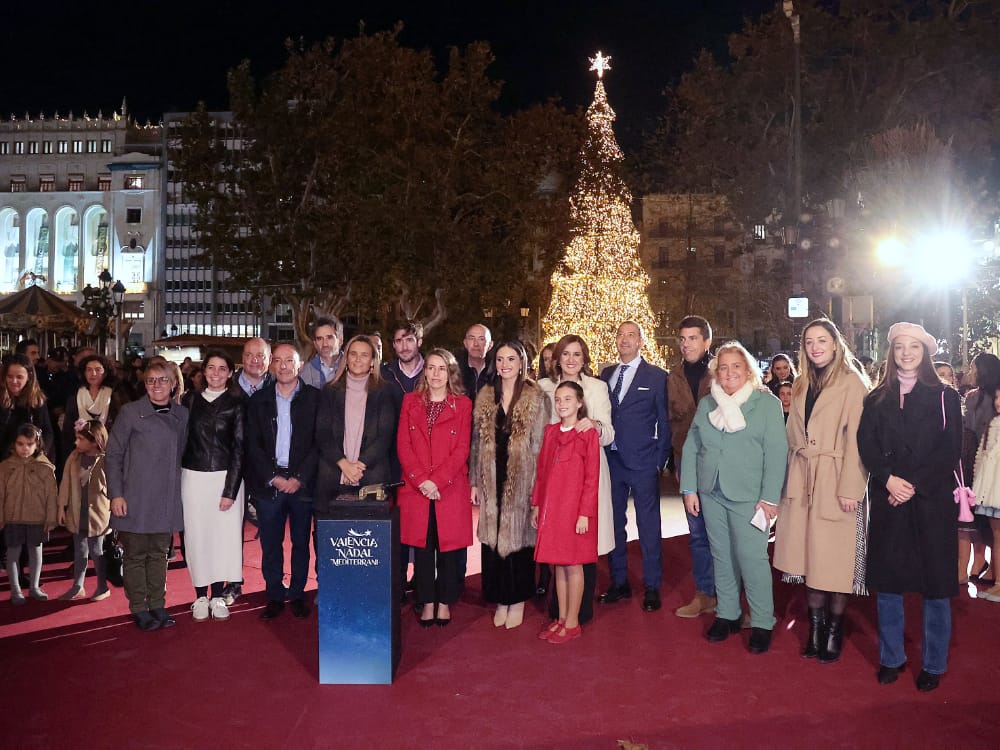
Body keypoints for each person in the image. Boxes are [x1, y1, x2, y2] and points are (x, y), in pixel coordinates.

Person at [857, 322, 962, 692]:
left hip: (930, 501)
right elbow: (866, 445)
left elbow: (950, 451)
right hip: (889, 500)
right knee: (888, 585)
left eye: (913, 347)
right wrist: (887, 479)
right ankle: (891, 658)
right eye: (899, 347)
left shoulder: (945, 396)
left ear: (925, 352)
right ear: (891, 352)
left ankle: (934, 662)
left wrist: (910, 485)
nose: (905, 353)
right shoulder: (875, 398)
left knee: (935, 587)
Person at [773, 318, 871, 663]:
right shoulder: (799, 384)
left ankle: (834, 629)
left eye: (822, 340)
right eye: (809, 341)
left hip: (836, 478)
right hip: (802, 478)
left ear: (835, 344)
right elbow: (790, 436)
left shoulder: (852, 383)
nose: (815, 347)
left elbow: (860, 441)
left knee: (836, 560)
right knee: (809, 556)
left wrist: (850, 488)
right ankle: (815, 627)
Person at [681, 341, 787, 654]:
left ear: (748, 370)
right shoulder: (706, 405)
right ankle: (727, 613)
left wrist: (770, 498)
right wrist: (689, 488)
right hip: (711, 491)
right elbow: (691, 447)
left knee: (752, 560)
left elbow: (777, 453)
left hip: (750, 496)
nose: (729, 373)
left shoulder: (766, 404)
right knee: (721, 555)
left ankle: (762, 621)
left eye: (736, 367)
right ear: (716, 372)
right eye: (723, 367)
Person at [470, 341, 549, 629]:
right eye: (500, 359)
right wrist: (475, 482)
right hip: (491, 477)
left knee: (518, 543)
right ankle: (500, 598)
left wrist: (538, 488)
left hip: (523, 479)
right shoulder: (486, 395)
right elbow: (477, 444)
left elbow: (540, 446)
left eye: (511, 358)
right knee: (493, 543)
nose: (505, 364)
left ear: (521, 362)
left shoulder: (536, 397)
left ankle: (517, 600)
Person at [537, 334, 614, 625]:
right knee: (558, 541)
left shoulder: (596, 388)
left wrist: (593, 424)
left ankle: (580, 611)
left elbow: (609, 433)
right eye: (566, 354)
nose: (571, 360)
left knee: (583, 541)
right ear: (557, 358)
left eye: (577, 355)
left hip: (585, 473)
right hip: (556, 477)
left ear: (584, 359)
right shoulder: (544, 389)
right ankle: (559, 609)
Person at [106, 360, 189, 630]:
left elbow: (183, 454)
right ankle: (139, 607)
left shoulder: (182, 415)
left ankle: (158, 604)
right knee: (135, 556)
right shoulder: (130, 413)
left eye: (162, 380)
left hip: (165, 497)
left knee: (158, 556)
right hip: (134, 498)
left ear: (173, 383)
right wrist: (116, 494)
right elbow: (113, 455)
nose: (156, 385)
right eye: (151, 380)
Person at [396, 349, 472, 627]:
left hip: (448, 488)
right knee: (424, 550)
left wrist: (436, 482)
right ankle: (427, 601)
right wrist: (421, 481)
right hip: (417, 489)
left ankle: (444, 602)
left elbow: (462, 448)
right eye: (431, 368)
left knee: (448, 550)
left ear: (450, 373)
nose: (436, 374)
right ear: (424, 371)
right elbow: (403, 445)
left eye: (442, 368)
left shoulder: (463, 405)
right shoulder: (409, 402)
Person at [599, 321, 670, 613]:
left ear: (640, 341)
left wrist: (659, 460)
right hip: (611, 461)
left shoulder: (657, 376)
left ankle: (652, 585)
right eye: (620, 334)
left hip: (642, 462)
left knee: (648, 525)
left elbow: (664, 422)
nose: (625, 340)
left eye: (631, 335)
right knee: (614, 524)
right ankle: (619, 582)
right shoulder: (605, 375)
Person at [245, 343, 319, 620]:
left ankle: (298, 594)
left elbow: (319, 443)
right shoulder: (258, 401)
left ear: (300, 365)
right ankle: (275, 595)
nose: (284, 365)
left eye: (290, 360)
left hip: (302, 484)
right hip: (270, 483)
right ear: (272, 365)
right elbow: (253, 446)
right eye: (278, 360)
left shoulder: (315, 399)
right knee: (271, 545)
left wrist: (299, 478)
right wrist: (273, 477)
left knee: (301, 542)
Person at [532, 381, 599, 644]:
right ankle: (560, 618)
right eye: (558, 399)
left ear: (580, 403)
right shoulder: (550, 432)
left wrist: (585, 513)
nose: (562, 404)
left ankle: (572, 622)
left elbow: (592, 478)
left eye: (568, 399)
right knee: (557, 564)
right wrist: (537, 505)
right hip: (553, 509)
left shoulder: (587, 434)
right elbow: (542, 472)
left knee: (573, 565)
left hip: (575, 511)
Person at [180, 350, 245, 623]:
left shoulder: (237, 403)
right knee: (196, 537)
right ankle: (199, 596)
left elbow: (240, 449)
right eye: (211, 368)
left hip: (225, 477)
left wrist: (230, 490)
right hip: (193, 477)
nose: (215, 373)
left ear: (230, 373)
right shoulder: (189, 400)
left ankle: (218, 594)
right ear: (202, 371)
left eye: (222, 368)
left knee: (223, 539)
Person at [667, 316, 717, 619]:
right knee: (698, 535)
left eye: (693, 338)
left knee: (723, 534)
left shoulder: (722, 372)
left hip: (721, 465)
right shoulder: (672, 377)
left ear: (707, 342)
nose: (686, 344)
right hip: (687, 463)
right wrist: (673, 462)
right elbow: (670, 421)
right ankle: (704, 594)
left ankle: (731, 597)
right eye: (683, 339)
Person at [315, 335, 398, 507]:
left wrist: (358, 467)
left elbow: (385, 437)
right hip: (332, 475)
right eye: (353, 354)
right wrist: (344, 464)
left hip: (372, 476)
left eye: (364, 355)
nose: (358, 359)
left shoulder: (386, 391)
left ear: (373, 361)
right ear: (346, 358)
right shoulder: (329, 391)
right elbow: (322, 433)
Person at [1, 424, 58, 603]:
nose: (25, 448)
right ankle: (16, 590)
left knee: (36, 551)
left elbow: (52, 495)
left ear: (37, 444)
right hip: (13, 517)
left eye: (29, 444)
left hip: (37, 517)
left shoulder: (45, 467)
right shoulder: (4, 467)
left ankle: (34, 587)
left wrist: (51, 517)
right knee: (12, 553)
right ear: (13, 444)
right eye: (20, 444)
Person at [57, 421, 112, 602]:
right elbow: (65, 483)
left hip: (98, 515)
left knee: (97, 551)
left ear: (95, 441)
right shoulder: (73, 457)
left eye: (81, 439)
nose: (76, 443)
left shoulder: (106, 460)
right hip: (76, 513)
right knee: (79, 551)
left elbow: (116, 487)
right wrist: (61, 507)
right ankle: (77, 586)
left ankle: (102, 586)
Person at [960, 352, 999, 585]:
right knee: (983, 519)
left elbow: (972, 428)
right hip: (982, 460)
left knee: (984, 518)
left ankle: (988, 568)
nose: (970, 372)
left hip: (983, 461)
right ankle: (986, 566)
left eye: (973, 368)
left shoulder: (978, 398)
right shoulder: (977, 397)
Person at [61, 354, 123, 458]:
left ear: (105, 373)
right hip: (79, 452)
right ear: (84, 373)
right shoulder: (75, 396)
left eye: (98, 370)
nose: (93, 374)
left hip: (108, 452)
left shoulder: (114, 396)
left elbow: (120, 426)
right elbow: (68, 429)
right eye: (89, 370)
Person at [972, 389, 1000, 601]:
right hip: (991, 491)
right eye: (997, 397)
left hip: (995, 491)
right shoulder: (993, 425)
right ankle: (998, 583)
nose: (998, 402)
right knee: (997, 538)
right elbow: (982, 461)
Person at [382, 320, 425, 410]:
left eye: (409, 340)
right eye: (399, 341)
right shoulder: (384, 374)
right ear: (394, 344)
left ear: (419, 342)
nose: (404, 347)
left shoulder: (433, 373)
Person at [300, 316, 345, 389]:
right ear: (315, 344)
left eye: (329, 337)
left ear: (340, 341)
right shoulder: (305, 372)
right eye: (319, 339)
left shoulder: (351, 367)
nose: (325, 344)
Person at [457, 323, 494, 398]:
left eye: (481, 339)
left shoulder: (497, 371)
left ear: (490, 345)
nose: (476, 344)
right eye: (471, 338)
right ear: (465, 343)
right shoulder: (454, 370)